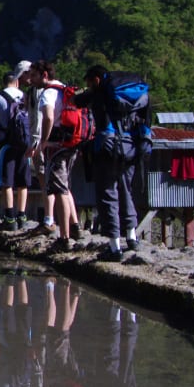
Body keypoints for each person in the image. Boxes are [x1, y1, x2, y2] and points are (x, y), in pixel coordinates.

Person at [73, 65, 144, 261]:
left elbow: (77, 101)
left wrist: (78, 93)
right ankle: (132, 237)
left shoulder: (100, 94)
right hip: (130, 148)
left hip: (108, 149)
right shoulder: (132, 93)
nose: (88, 86)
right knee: (126, 190)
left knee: (107, 194)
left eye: (89, 82)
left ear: (96, 79)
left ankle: (114, 247)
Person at [30, 60, 81, 249]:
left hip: (57, 147)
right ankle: (75, 226)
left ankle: (64, 238)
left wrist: (43, 141)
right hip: (72, 144)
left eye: (34, 75)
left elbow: (49, 117)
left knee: (59, 190)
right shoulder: (65, 89)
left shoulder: (48, 94)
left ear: (44, 75)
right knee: (65, 186)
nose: (31, 80)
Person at [14, 60, 56, 236]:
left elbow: (40, 120)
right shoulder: (31, 92)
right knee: (45, 180)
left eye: (28, 75)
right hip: (38, 140)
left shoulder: (39, 91)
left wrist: (36, 144)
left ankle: (49, 219)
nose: (26, 79)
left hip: (40, 141)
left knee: (46, 180)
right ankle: (54, 219)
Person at [0, 72, 30, 231]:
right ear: (17, 83)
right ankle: (22, 216)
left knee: (7, 182)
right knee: (23, 181)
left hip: (6, 144)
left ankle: (9, 219)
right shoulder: (26, 96)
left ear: (4, 83)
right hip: (25, 144)